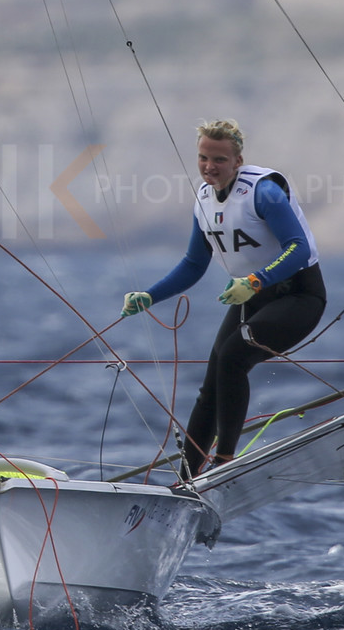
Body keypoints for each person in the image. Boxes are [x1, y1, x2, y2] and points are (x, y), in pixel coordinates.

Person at [120, 119, 326, 480]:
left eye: (219, 159)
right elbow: (193, 264)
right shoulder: (202, 199)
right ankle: (186, 477)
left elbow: (299, 247)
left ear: (238, 161)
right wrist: (149, 296)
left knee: (232, 358)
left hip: (299, 297)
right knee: (212, 383)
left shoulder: (264, 192)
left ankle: (224, 461)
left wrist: (256, 279)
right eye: (203, 158)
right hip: (252, 299)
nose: (209, 167)